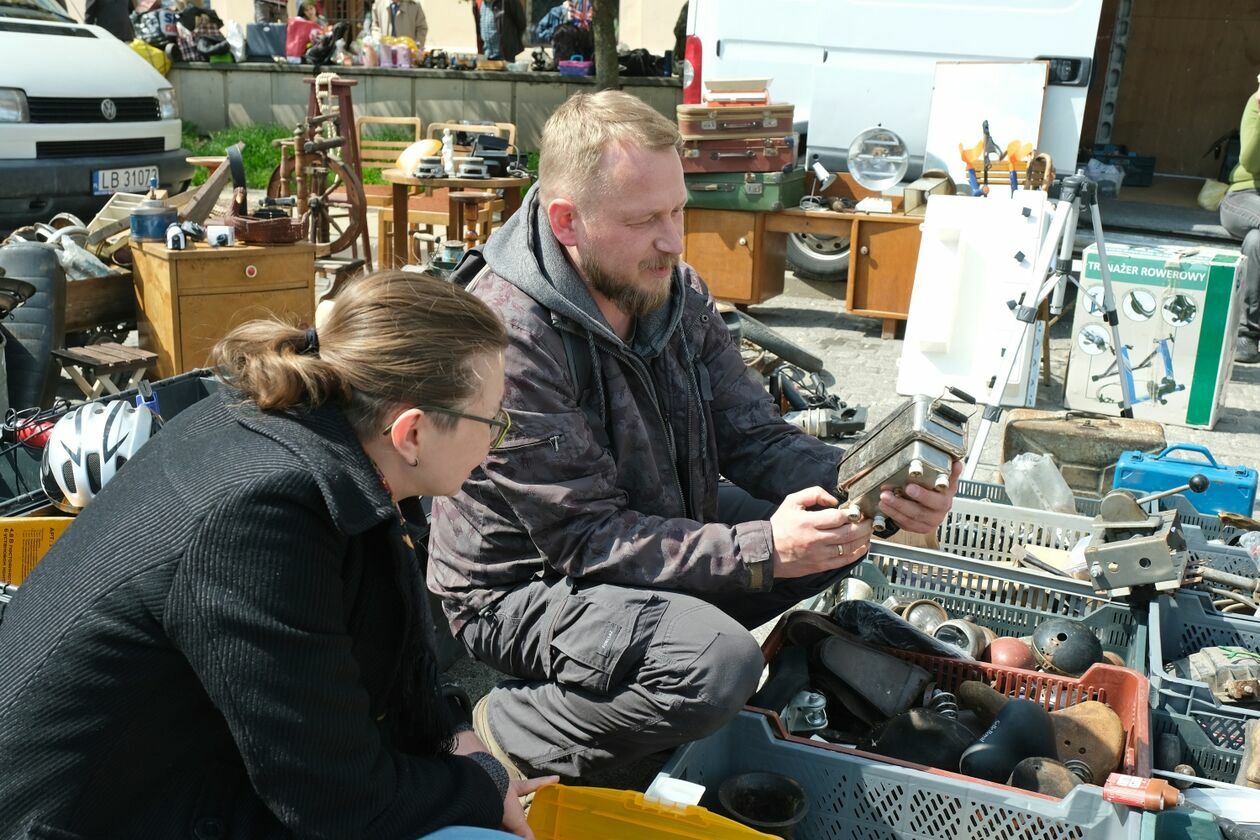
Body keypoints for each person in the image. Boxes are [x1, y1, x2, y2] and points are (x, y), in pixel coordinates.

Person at [427, 91, 961, 781]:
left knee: (835, 528)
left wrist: (871, 484)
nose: (673, 239)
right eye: (645, 218)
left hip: (652, 523)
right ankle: (513, 729)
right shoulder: (509, 337)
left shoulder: (672, 289)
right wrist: (762, 550)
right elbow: (588, 542)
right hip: (525, 590)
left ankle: (661, 674)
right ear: (568, 221)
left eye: (677, 209)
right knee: (718, 663)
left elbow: (754, 439)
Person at [0, 272, 555, 838]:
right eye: (492, 422)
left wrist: (450, 734)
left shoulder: (278, 429)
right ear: (410, 433)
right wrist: (481, 786)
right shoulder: (269, 515)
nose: (495, 443)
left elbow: (368, 661)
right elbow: (339, 803)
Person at [1220, 78, 1260, 364]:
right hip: (1244, 196)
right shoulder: (1254, 106)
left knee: (1257, 242)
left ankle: (1248, 336)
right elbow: (1251, 160)